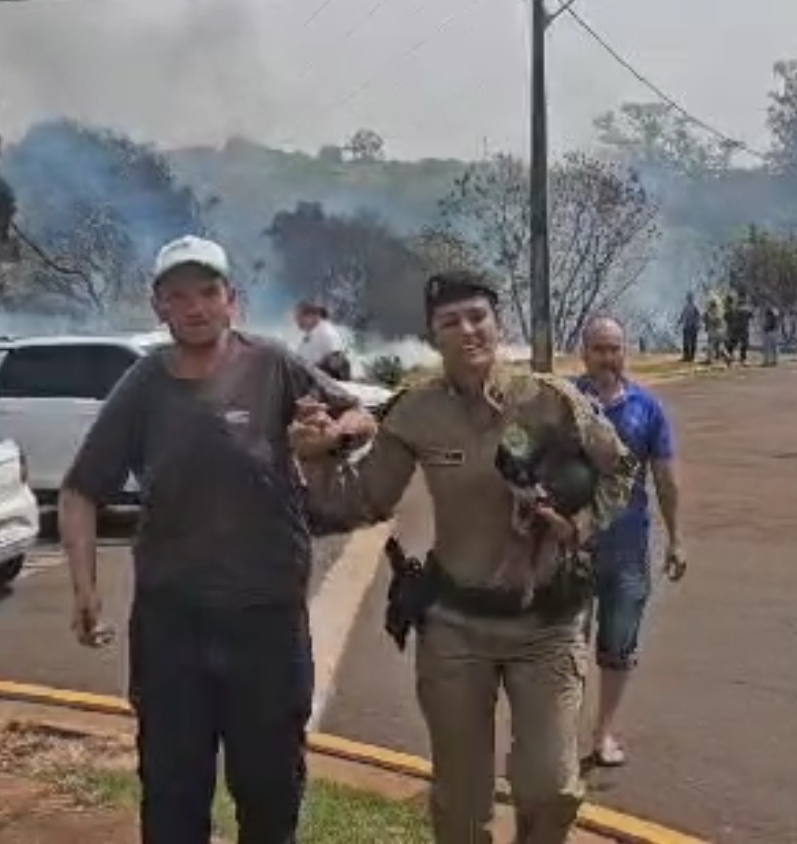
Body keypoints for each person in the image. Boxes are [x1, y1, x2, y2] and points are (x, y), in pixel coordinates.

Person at [290, 270, 636, 844]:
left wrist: (578, 524)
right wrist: (317, 459)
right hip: (456, 629)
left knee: (552, 790)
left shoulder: (550, 400)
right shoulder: (416, 413)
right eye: (451, 322)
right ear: (433, 336)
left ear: (498, 324)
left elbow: (619, 466)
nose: (468, 330)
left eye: (478, 317)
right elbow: (365, 499)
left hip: (546, 628)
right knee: (460, 802)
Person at [58, 235, 376, 844]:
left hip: (267, 622)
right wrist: (83, 589)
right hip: (171, 627)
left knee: (271, 792)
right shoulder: (143, 385)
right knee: (173, 798)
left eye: (208, 292)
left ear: (233, 300)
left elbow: (360, 416)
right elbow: (79, 492)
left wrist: (330, 434)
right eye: (179, 296)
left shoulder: (274, 364)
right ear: (160, 309)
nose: (196, 306)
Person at [573, 317, 684, 769]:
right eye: (599, 348)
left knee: (618, 648)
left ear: (626, 353)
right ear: (584, 353)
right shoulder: (564, 402)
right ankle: (558, 738)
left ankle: (602, 735)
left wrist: (676, 539)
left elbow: (665, 479)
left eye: (615, 348)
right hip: (570, 549)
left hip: (627, 549)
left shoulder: (647, 409)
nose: (608, 358)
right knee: (565, 648)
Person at [294, 299, 352, 381]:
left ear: (312, 316)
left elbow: (312, 364)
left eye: (299, 317)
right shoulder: (317, 331)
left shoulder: (322, 333)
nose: (297, 321)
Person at [702, 295, 729, 366]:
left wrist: (708, 318)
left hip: (715, 331)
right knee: (720, 347)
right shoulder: (718, 311)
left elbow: (714, 320)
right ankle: (727, 357)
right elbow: (705, 319)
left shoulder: (715, 312)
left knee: (710, 346)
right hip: (720, 331)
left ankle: (709, 359)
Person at [678, 292, 701, 364]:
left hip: (692, 327)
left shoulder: (695, 307)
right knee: (686, 342)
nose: (689, 299)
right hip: (687, 326)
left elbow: (698, 316)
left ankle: (691, 356)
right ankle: (686, 356)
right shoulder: (686, 307)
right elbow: (682, 316)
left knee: (692, 342)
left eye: (689, 298)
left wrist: (698, 325)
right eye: (688, 298)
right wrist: (679, 322)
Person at [761, 302, 781, 367]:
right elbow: (766, 320)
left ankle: (775, 360)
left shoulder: (775, 311)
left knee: (774, 346)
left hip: (773, 331)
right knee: (766, 347)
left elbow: (776, 316)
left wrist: (772, 309)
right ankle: (766, 360)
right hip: (767, 331)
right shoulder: (767, 312)